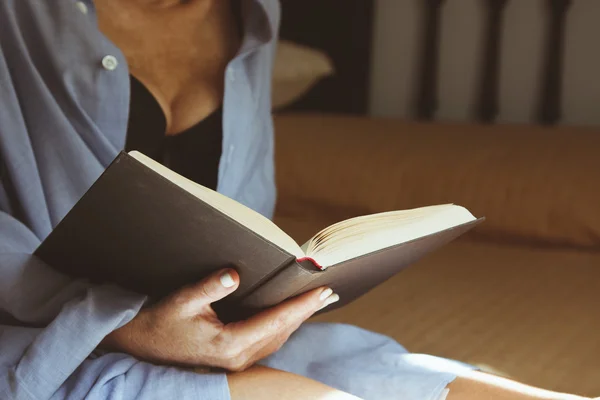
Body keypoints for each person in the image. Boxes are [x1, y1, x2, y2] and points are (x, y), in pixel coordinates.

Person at [0, 1, 594, 399]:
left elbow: (237, 209)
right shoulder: (22, 21)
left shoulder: (254, 14)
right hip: (45, 346)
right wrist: (127, 328)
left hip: (214, 339)